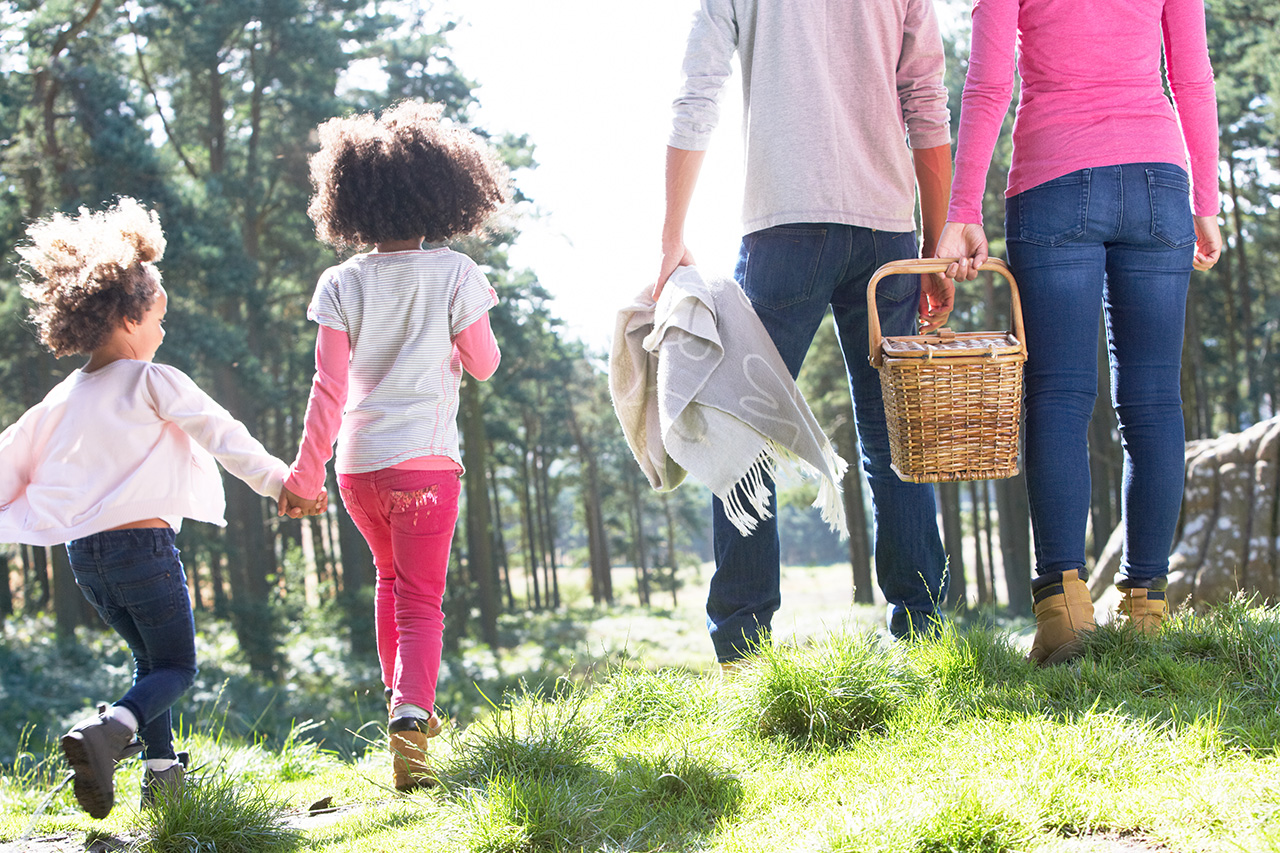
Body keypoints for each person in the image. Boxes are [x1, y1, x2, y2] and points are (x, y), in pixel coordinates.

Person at [657, 0, 957, 663]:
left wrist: (671, 236)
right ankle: (924, 633)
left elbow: (696, 90)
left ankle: (743, 649)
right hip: (887, 230)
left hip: (784, 226)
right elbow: (926, 102)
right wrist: (934, 243)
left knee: (741, 429)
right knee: (891, 431)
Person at [0, 198, 309, 818]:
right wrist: (281, 483)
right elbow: (225, 435)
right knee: (178, 665)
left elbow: (9, 459)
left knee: (149, 662)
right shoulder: (152, 379)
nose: (163, 331)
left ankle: (162, 780)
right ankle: (108, 731)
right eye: (158, 316)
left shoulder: (59, 400)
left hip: (87, 561)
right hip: (143, 550)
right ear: (125, 318)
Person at [936, 0, 1223, 664]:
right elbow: (1193, 73)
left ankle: (1063, 612)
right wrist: (1204, 201)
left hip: (1054, 179)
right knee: (1154, 401)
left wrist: (962, 209)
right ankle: (1146, 606)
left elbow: (988, 78)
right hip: (1158, 181)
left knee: (1060, 396)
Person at [281, 100, 507, 791]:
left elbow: (328, 388)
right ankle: (412, 716)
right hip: (427, 466)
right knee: (421, 601)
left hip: (358, 470)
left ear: (351, 202)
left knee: (389, 583)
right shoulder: (455, 273)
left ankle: (402, 703)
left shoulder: (341, 281)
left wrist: (303, 473)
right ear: (443, 192)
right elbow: (485, 362)